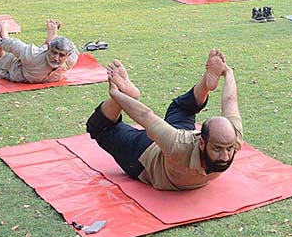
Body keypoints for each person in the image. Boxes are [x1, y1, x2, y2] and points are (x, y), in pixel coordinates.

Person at [86, 50, 240, 191]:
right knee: (99, 128)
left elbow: (230, 102)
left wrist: (228, 72)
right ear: (201, 143)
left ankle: (206, 83)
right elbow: (145, 116)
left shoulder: (233, 138)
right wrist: (115, 94)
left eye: (229, 148)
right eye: (217, 149)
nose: (225, 157)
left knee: (181, 108)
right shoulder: (178, 145)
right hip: (145, 155)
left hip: (174, 140)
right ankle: (127, 96)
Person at [0, 19, 78, 84]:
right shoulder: (30, 54)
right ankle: (3, 28)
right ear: (49, 48)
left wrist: (54, 37)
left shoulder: (72, 57)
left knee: (41, 55)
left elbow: (69, 47)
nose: (56, 58)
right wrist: (2, 35)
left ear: (68, 55)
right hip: (18, 69)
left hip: (39, 59)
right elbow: (11, 44)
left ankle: (52, 35)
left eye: (61, 55)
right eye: (54, 53)